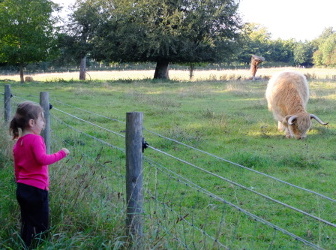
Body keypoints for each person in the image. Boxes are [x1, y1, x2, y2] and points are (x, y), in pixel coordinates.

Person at [9, 101, 70, 248]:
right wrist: (62, 153)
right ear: (32, 122)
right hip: (36, 189)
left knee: (27, 220)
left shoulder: (19, 142)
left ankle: (26, 244)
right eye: (42, 119)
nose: (44, 123)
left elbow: (17, 168)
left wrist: (20, 183)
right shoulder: (36, 139)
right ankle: (40, 245)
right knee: (41, 222)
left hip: (22, 188)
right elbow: (42, 159)